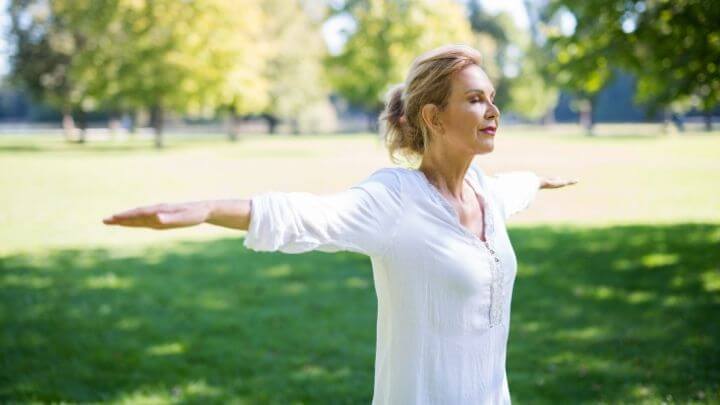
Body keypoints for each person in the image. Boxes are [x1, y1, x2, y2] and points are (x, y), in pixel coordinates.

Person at [103, 43, 577, 404]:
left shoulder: (486, 191)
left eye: (491, 98)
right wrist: (206, 209)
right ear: (432, 116)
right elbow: (309, 216)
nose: (493, 111)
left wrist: (540, 181)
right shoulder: (395, 200)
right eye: (475, 99)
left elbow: (516, 187)